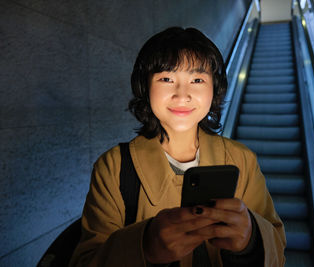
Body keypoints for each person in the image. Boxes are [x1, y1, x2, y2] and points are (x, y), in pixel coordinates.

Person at [69, 27, 286, 267]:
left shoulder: (241, 159)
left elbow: (276, 245)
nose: (182, 95)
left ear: (214, 88)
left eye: (197, 80)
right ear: (145, 86)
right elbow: (84, 261)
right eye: (166, 79)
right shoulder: (113, 167)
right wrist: (144, 247)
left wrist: (251, 239)